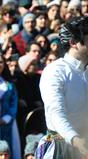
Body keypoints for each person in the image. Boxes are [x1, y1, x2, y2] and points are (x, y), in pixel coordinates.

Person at [36, 16, 88, 158]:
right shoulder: (55, 71)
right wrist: (75, 139)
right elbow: (56, 112)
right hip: (61, 148)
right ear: (73, 43)